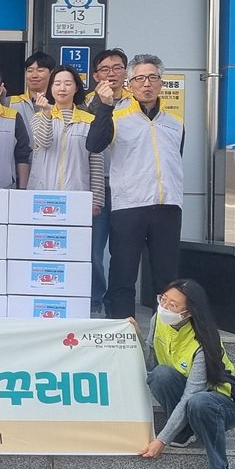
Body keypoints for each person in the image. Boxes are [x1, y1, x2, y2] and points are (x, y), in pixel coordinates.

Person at [87, 54, 184, 320]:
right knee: (123, 275)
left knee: (166, 278)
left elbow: (175, 160)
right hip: (129, 206)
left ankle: (164, 336)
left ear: (161, 82)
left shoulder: (175, 123)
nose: (147, 84)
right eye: (140, 78)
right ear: (129, 84)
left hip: (167, 206)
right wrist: (104, 108)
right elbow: (93, 144)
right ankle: (122, 336)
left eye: (152, 77)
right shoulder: (117, 117)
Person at [130, 279, 235, 469]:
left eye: (173, 305)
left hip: (221, 404)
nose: (164, 307)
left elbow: (191, 395)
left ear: (189, 312)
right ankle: (183, 431)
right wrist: (135, 335)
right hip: (190, 397)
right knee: (160, 375)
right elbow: (150, 364)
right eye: (163, 299)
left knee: (199, 402)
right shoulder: (158, 320)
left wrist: (161, 440)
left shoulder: (202, 342)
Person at [87, 47, 133, 316]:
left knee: (123, 251)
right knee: (94, 250)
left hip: (128, 187)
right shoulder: (87, 103)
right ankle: (95, 299)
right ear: (96, 76)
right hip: (99, 185)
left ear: (126, 72)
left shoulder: (136, 102)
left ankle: (116, 305)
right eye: (105, 69)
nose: (112, 74)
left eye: (117, 68)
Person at [27, 65, 105, 221]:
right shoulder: (38, 117)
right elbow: (44, 141)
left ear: (76, 88)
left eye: (68, 84)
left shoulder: (90, 121)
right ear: (50, 88)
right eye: (57, 84)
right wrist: (47, 113)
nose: (62, 88)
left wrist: (96, 200)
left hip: (78, 196)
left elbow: (96, 162)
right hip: (42, 196)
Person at [8, 50, 56, 123]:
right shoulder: (10, 102)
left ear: (51, 73)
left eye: (40, 71)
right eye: (30, 71)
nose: (34, 76)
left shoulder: (59, 102)